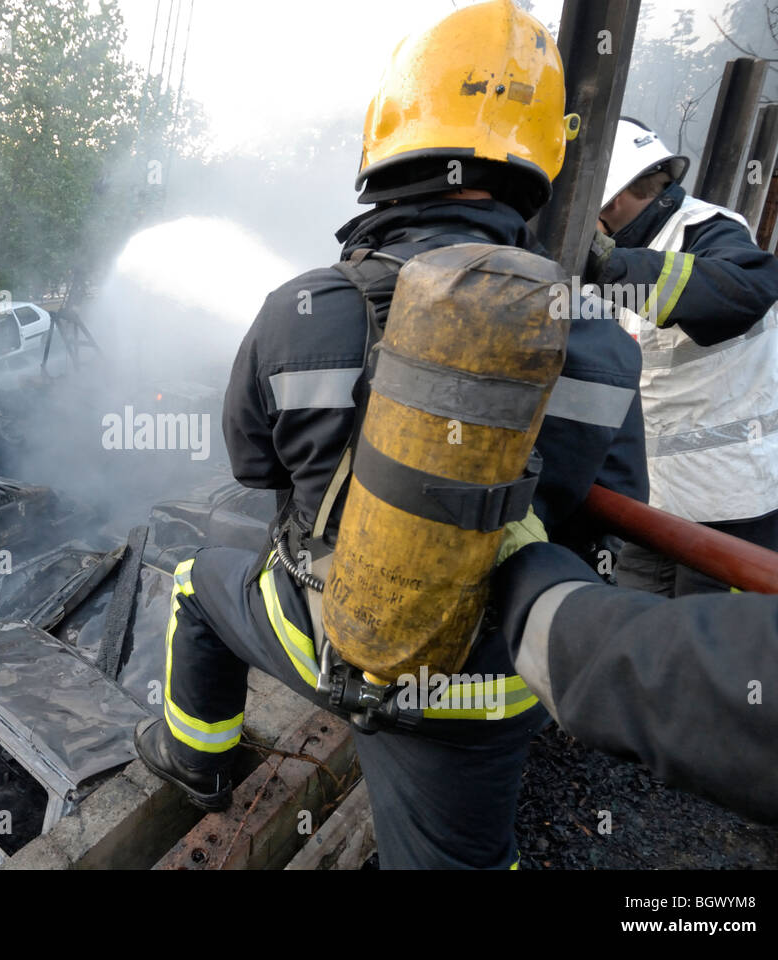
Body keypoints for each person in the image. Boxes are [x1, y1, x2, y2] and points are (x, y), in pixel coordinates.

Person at [134, 0, 648, 870]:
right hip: (490, 678)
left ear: (387, 140)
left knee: (197, 583)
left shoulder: (300, 310)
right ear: (542, 164)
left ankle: (199, 762)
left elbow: (253, 468)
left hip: (328, 637)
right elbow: (616, 514)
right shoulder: (595, 335)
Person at [590, 117, 778, 596]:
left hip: (737, 490)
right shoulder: (627, 246)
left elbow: (748, 288)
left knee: (713, 635)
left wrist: (612, 267)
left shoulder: (708, 231)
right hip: (659, 492)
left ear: (613, 198)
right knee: (638, 613)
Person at [493, 532, 778, 824]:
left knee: (702, 587)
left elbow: (767, 684)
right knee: (651, 573)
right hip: (674, 501)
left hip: (727, 500)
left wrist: (537, 583)